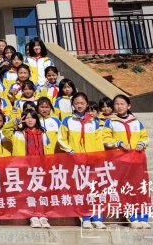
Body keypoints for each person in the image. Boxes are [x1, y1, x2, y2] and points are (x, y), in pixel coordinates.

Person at [58, 92, 106, 229]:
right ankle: (85, 217)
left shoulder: (93, 121)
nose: (79, 105)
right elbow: (61, 139)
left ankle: (97, 218)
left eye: (82, 103)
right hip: (75, 161)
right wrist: (71, 152)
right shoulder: (67, 120)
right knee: (81, 190)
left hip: (92, 161)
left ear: (87, 104)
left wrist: (99, 158)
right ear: (73, 104)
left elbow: (99, 141)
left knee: (95, 189)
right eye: (76, 103)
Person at [102, 94, 149, 229]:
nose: (119, 106)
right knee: (126, 189)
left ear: (128, 106)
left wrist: (141, 143)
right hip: (120, 161)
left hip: (137, 161)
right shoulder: (110, 122)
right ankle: (133, 218)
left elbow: (145, 137)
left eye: (122, 104)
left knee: (140, 189)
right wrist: (118, 143)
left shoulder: (136, 122)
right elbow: (105, 139)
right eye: (116, 104)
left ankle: (143, 218)